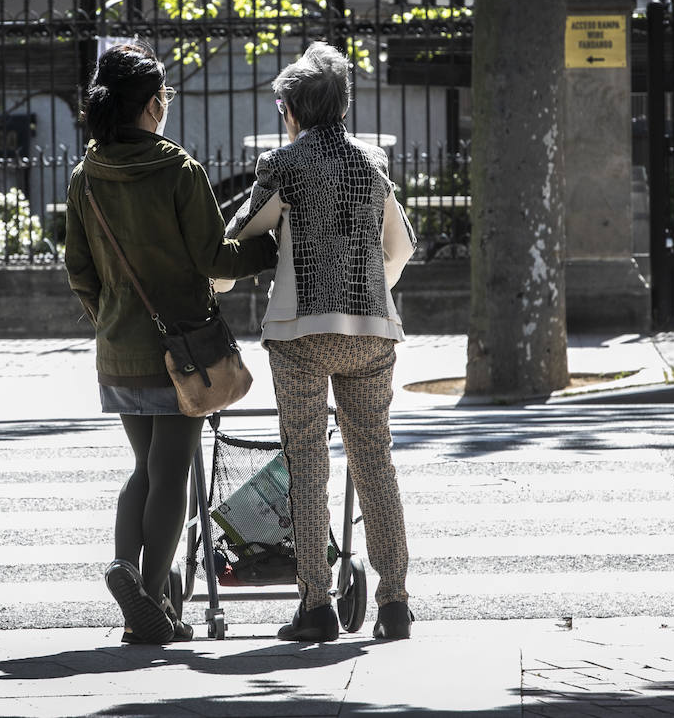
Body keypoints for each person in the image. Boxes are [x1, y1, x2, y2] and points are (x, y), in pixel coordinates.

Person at [65, 41, 277, 645]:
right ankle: (150, 605)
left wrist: (110, 316)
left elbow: (77, 268)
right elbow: (215, 256)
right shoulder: (177, 169)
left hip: (118, 352)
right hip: (182, 352)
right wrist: (271, 247)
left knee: (143, 469)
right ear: (154, 104)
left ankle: (131, 578)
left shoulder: (87, 175)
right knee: (173, 473)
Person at [219, 41, 417, 642]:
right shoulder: (370, 164)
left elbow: (237, 240)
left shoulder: (285, 165)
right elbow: (401, 246)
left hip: (302, 335)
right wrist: (367, 289)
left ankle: (315, 605)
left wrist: (218, 283)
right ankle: (395, 603)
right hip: (371, 334)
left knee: (308, 468)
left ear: (293, 110)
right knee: (374, 460)